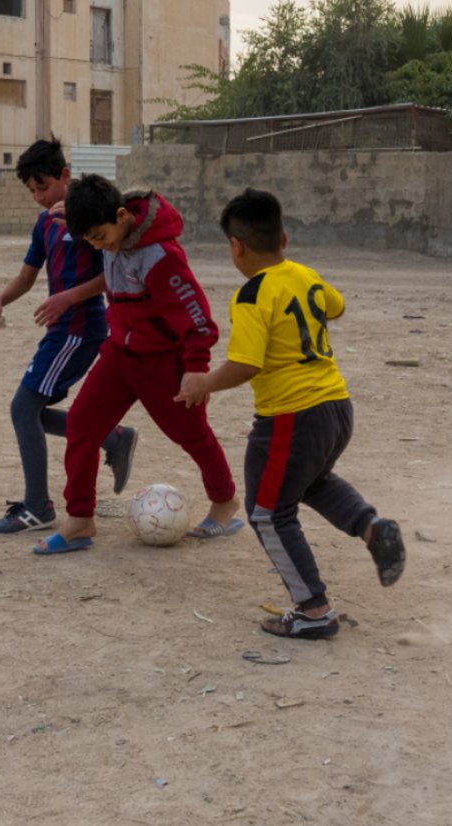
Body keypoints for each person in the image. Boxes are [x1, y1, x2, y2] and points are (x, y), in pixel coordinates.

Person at [176, 188, 405, 639]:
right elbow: (336, 307)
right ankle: (371, 528)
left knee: (268, 513)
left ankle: (313, 610)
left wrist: (203, 382)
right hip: (336, 406)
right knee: (310, 481)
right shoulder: (305, 275)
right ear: (284, 238)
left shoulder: (251, 295)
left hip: (290, 416)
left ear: (235, 247)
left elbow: (246, 364)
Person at [34, 174, 242, 554]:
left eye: (101, 237)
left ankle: (225, 501)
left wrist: (196, 369)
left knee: (192, 434)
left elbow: (198, 320)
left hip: (164, 362)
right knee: (81, 424)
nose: (100, 246)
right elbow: (95, 204)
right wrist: (75, 207)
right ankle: (80, 519)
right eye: (91, 241)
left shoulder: (162, 257)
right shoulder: (107, 226)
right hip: (120, 355)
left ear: (121, 216)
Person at [0, 139, 137, 534]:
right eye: (31, 190)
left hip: (80, 330)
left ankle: (38, 506)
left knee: (23, 409)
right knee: (30, 411)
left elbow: (112, 274)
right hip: (61, 331)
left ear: (65, 176)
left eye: (44, 187)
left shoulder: (91, 217)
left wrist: (68, 297)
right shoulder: (45, 223)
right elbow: (27, 276)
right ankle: (112, 438)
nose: (38, 196)